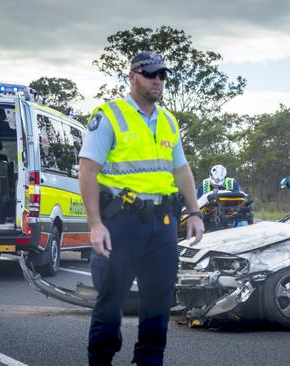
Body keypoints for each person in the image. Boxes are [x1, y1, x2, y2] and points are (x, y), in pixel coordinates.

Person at [79, 51, 205, 366]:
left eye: (162, 75)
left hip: (162, 222)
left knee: (159, 298)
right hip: (121, 222)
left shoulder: (168, 120)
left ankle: (150, 360)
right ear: (132, 76)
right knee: (112, 297)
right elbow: (87, 170)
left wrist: (195, 212)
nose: (158, 81)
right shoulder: (109, 115)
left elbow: (182, 170)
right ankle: (101, 358)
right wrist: (95, 225)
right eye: (151, 74)